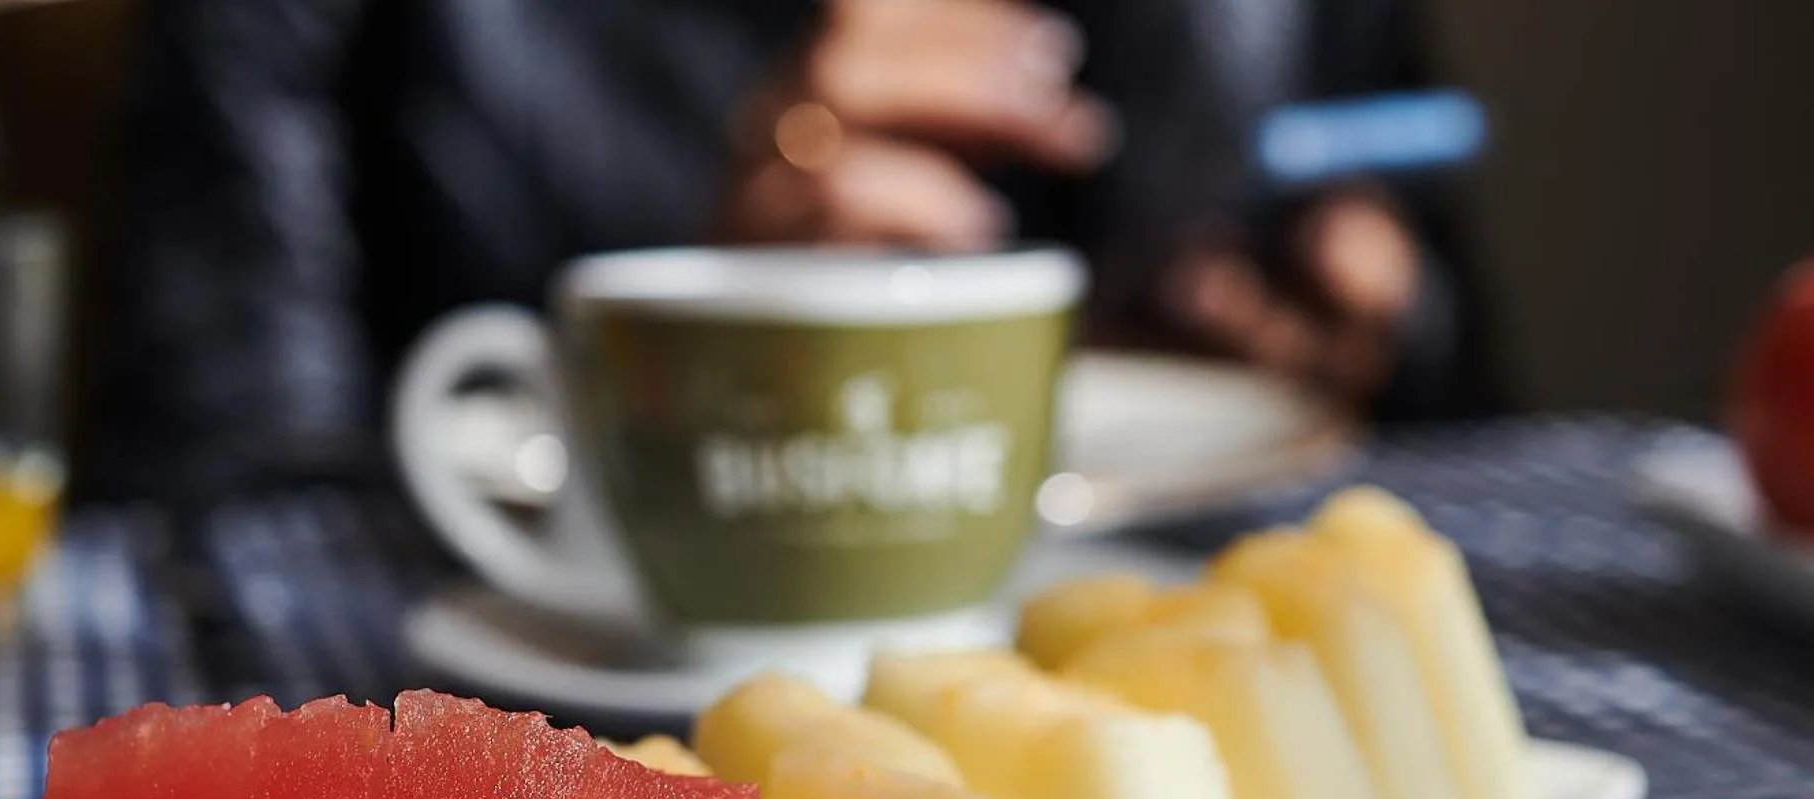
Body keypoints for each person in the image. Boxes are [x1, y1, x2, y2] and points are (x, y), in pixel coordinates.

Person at [95, 0, 1485, 502]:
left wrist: (1359, 327)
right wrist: (707, 338)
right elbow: (221, 476)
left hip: (1164, 671)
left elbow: (1471, 389)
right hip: (576, 724)